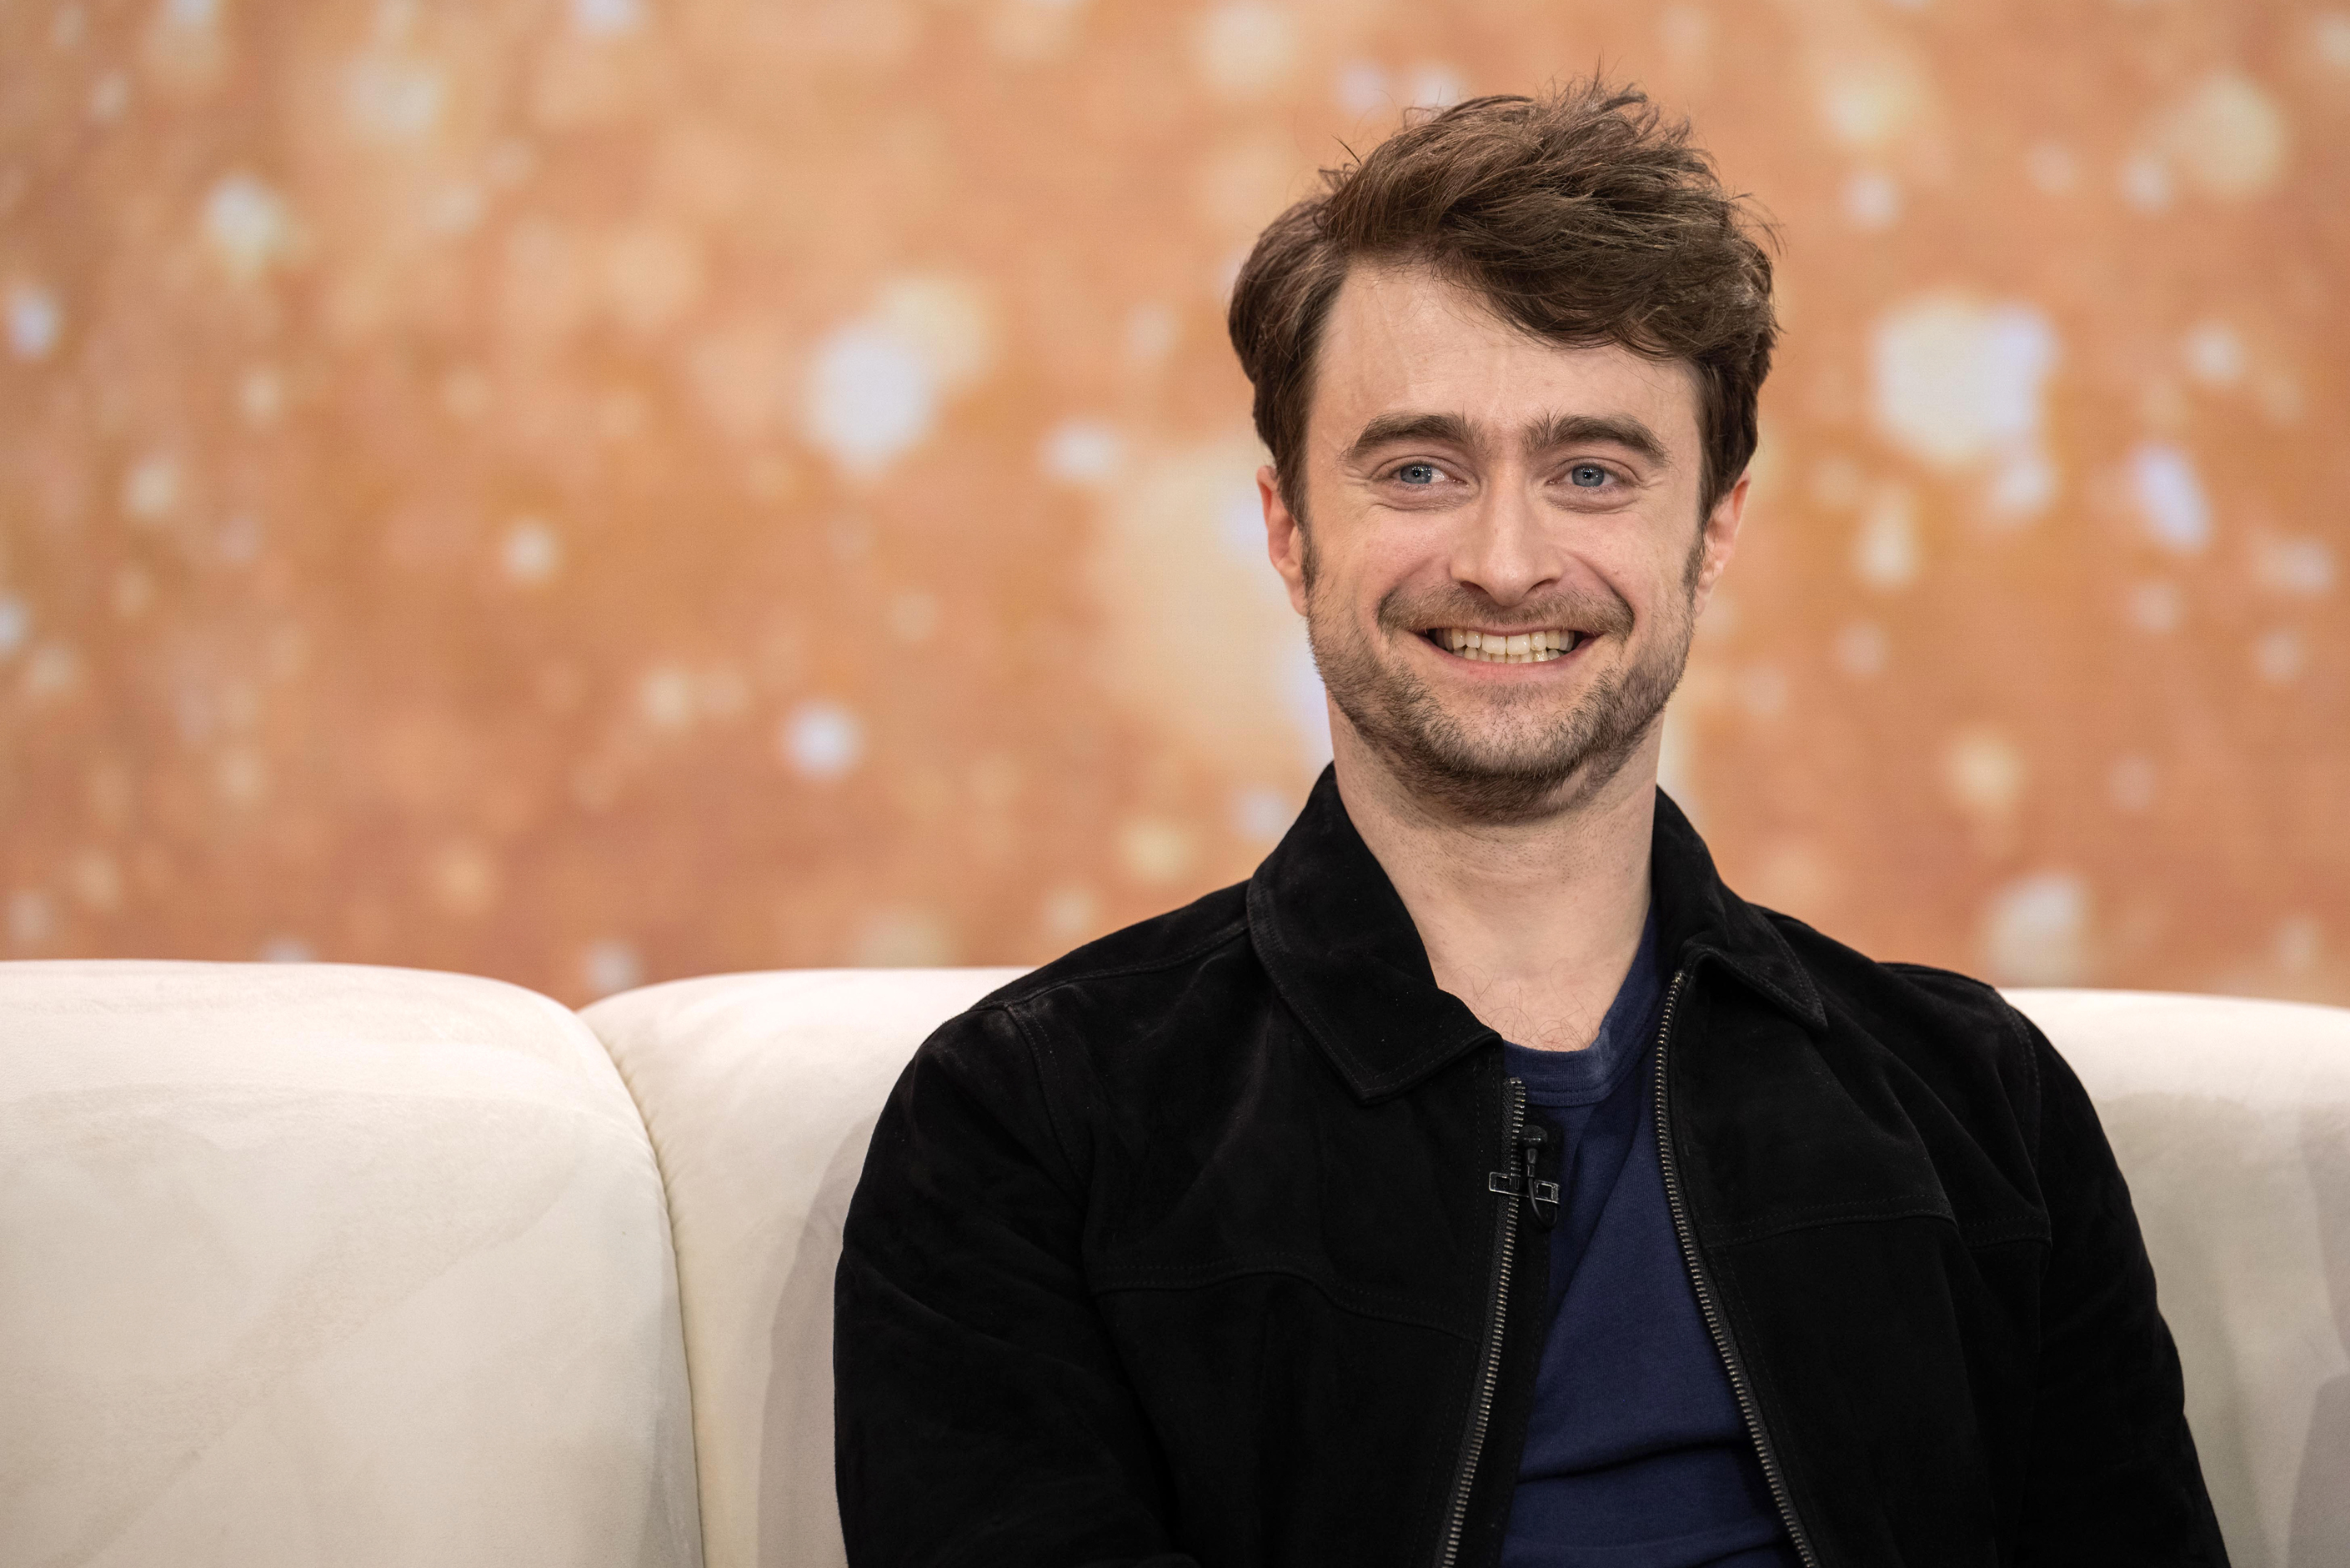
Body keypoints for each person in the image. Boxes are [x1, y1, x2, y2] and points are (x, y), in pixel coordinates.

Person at [834, 80, 2227, 1568]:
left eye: (1591, 474)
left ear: (1716, 528)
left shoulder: (1984, 1111)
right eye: (1421, 469)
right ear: (1288, 527)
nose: (1505, 562)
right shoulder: (1030, 1126)